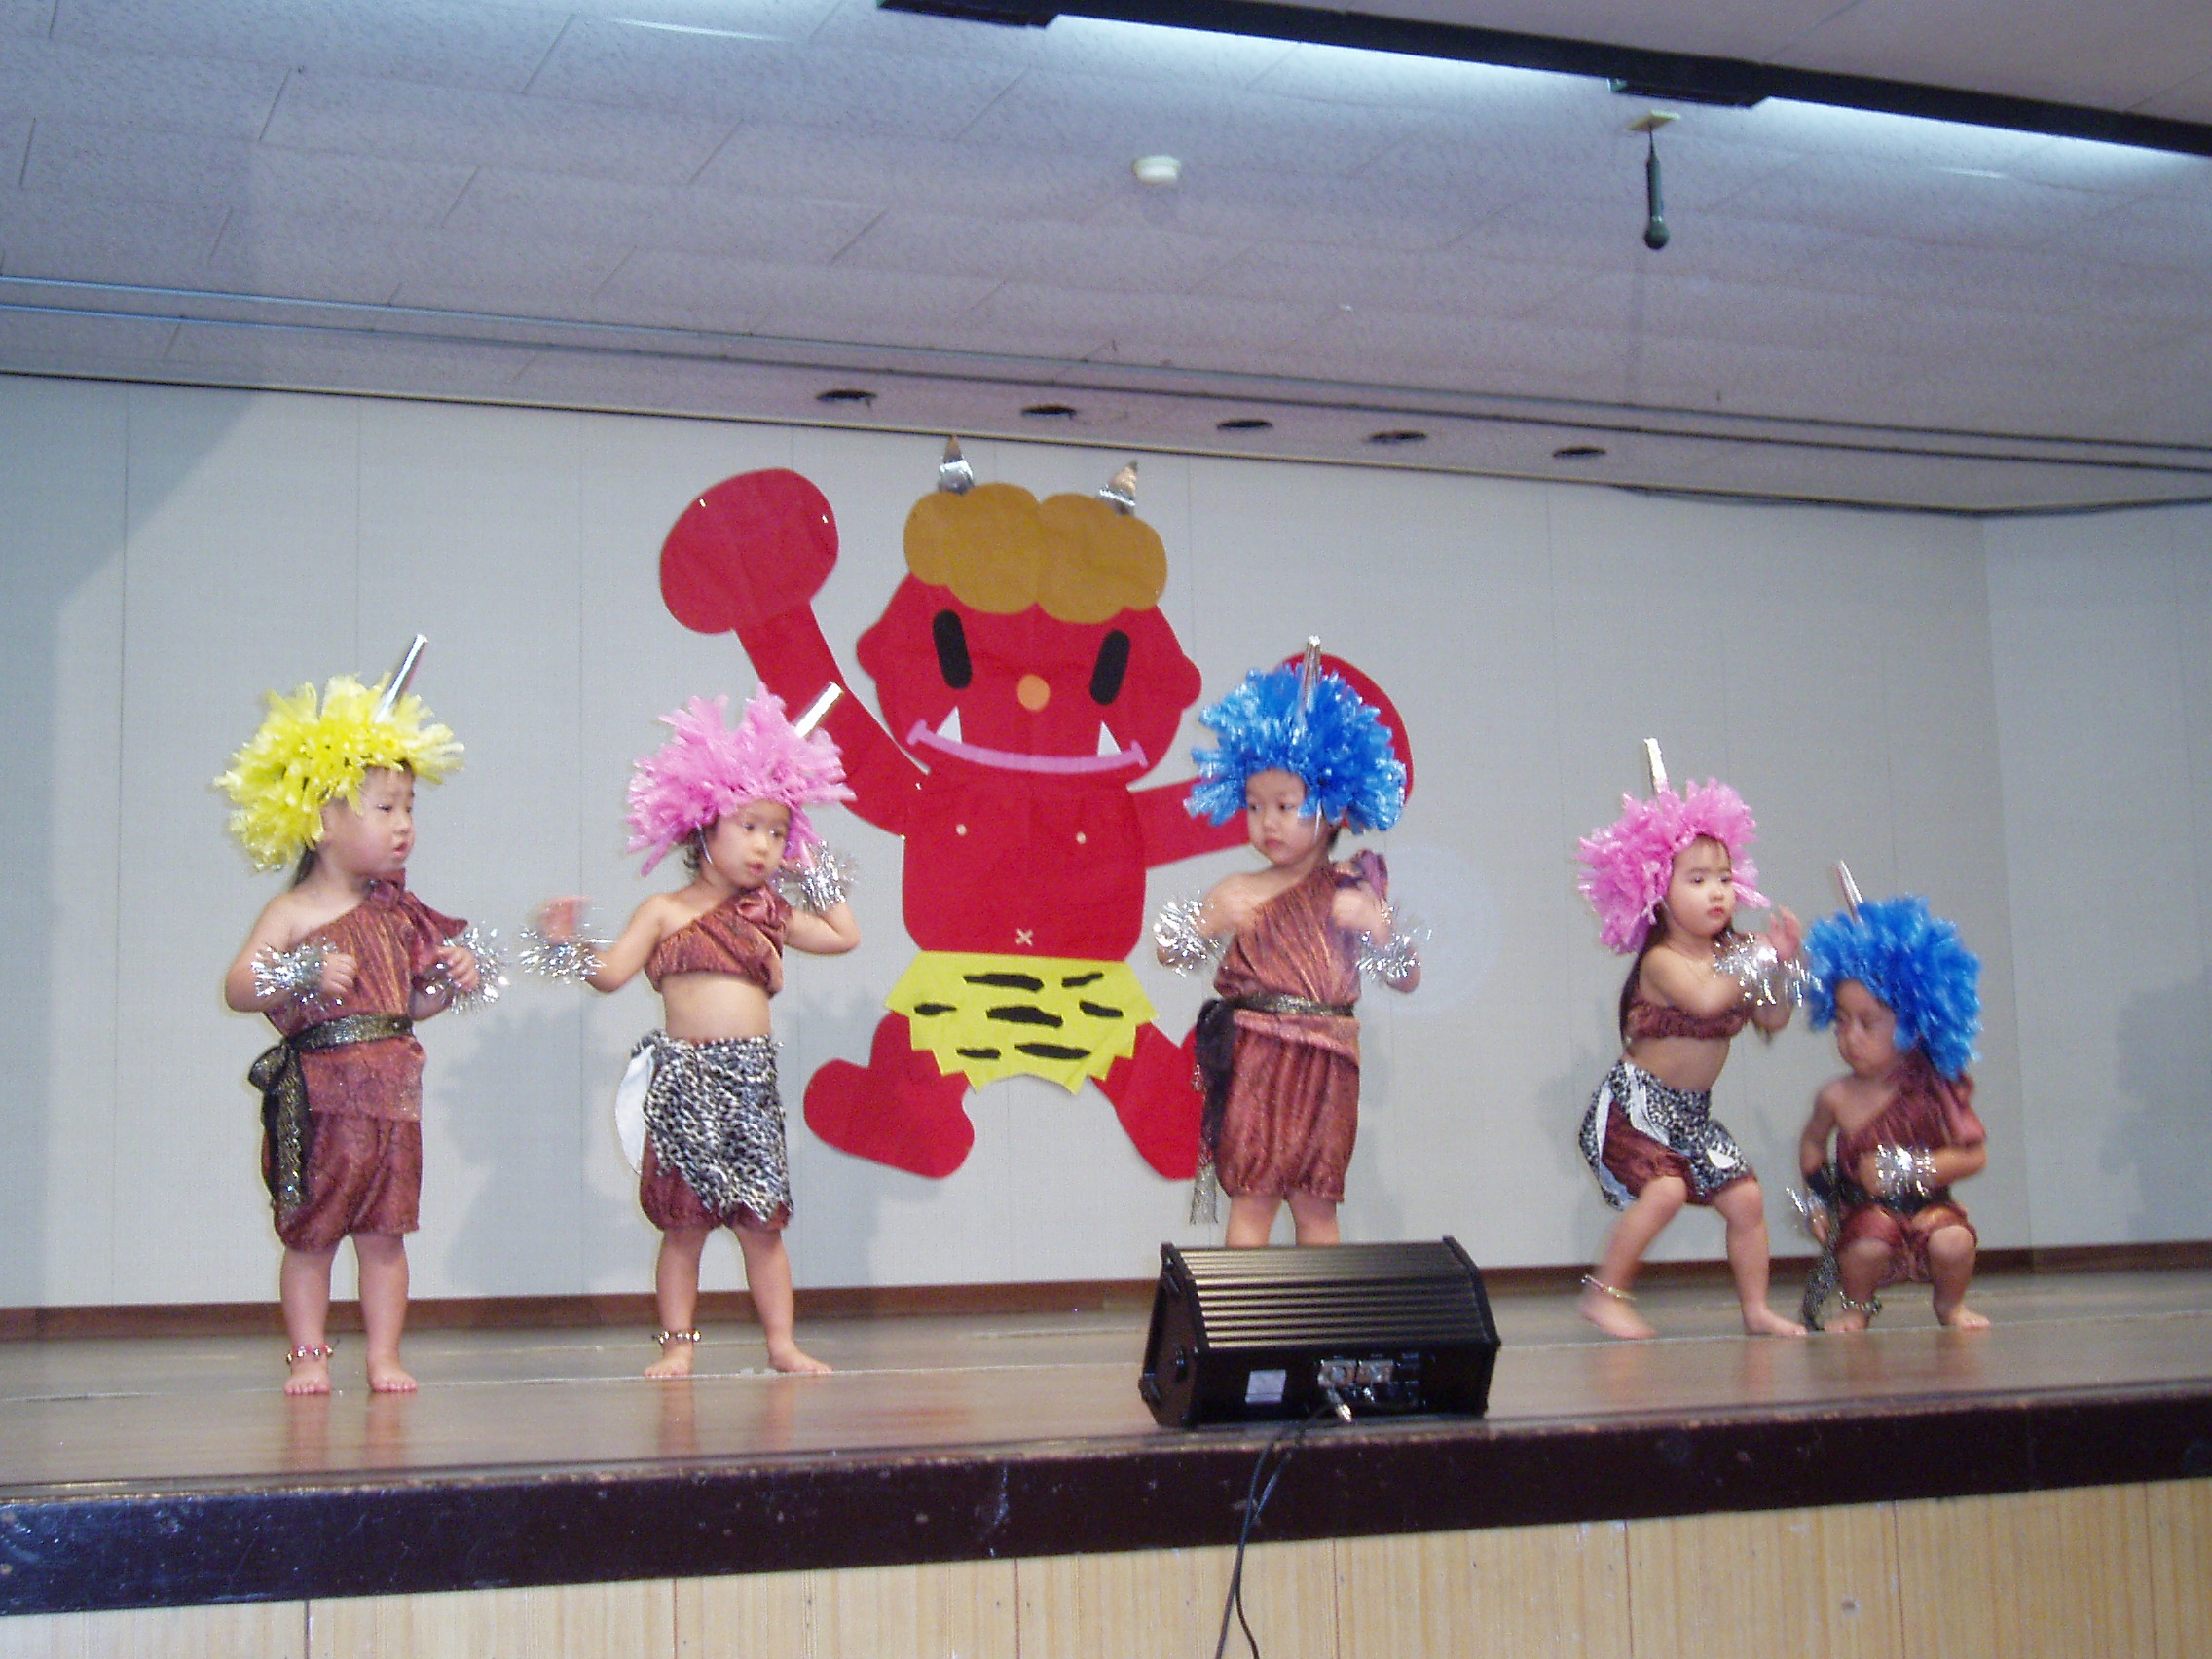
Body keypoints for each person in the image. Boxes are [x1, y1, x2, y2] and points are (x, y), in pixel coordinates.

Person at [531, 690, 857, 1378]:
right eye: (749, 826)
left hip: (750, 1081)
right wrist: (565, 944)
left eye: (778, 832)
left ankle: (781, 1344)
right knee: (684, 1225)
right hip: (685, 1081)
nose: (765, 845)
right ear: (703, 827)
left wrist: (816, 874)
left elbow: (842, 937)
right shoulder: (664, 910)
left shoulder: (768, 911)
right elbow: (611, 975)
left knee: (762, 1225)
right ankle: (678, 1346)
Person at [219, 664, 481, 1395]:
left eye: (409, 808)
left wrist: (447, 983)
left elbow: (407, 1005)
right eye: (384, 807)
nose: (404, 824)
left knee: (386, 1236)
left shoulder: (397, 912)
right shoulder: (292, 913)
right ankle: (309, 1356)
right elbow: (239, 987)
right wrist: (299, 973)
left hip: (392, 1102)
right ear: (322, 821)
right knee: (313, 1234)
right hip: (323, 1104)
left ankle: (384, 1356)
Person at [1155, 654, 1419, 1247]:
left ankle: (1319, 1306)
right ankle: (1243, 1308)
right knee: (1253, 1196)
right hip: (1256, 1058)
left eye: (1285, 805)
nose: (1267, 823)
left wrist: (1379, 930)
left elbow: (1407, 977)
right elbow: (1170, 950)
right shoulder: (1239, 891)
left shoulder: (1354, 889)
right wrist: (1205, 923)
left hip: (1329, 1064)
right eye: (1254, 806)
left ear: (1334, 806)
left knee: (1316, 1202)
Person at [1573, 774, 1805, 1339]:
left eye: (1724, 878)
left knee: (1745, 1199)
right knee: (1667, 1190)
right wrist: (1757, 960)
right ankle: (1603, 1296)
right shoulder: (1663, 962)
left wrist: (1780, 967)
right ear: (1657, 890)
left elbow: (1772, 1019)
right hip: (1635, 1109)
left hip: (1692, 1114)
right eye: (1697, 880)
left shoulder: (1736, 954)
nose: (1717, 892)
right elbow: (1704, 1000)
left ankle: (1756, 1309)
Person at [1798, 894, 1988, 1331]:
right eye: (1841, 1022)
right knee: (1865, 1246)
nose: (1850, 1037)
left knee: (1954, 1242)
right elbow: (1812, 1144)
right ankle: (1857, 1307)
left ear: (1915, 1025)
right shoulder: (1835, 1097)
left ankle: (1951, 1305)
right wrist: (1820, 1202)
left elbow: (1974, 1156)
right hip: (1866, 1214)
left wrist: (1909, 1169)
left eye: (1868, 1023)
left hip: (1930, 1207)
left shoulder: (1936, 1088)